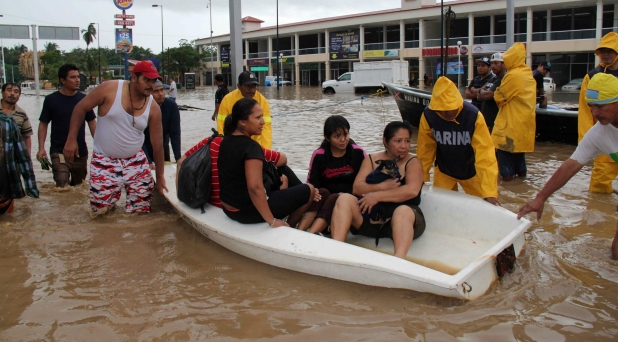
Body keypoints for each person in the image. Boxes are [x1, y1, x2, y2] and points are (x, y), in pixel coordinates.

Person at [518, 73, 618, 260]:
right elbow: (570, 166)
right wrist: (540, 198)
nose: (595, 113)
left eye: (601, 106)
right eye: (591, 107)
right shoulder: (599, 134)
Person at [63, 60, 167, 214]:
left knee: (142, 212)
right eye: (146, 79)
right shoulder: (110, 89)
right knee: (101, 212)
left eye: (154, 80)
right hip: (104, 160)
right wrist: (71, 140)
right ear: (133, 78)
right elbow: (80, 108)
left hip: (136, 161)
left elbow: (158, 145)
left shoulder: (153, 108)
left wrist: (160, 177)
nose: (151, 84)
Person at [330, 121, 426, 259]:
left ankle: (399, 260)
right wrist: (381, 187)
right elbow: (357, 188)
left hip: (404, 221)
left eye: (407, 141)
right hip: (373, 219)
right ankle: (335, 250)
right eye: (398, 141)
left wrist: (376, 196)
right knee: (345, 198)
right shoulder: (372, 159)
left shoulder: (413, 162)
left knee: (402, 211)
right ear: (385, 141)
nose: (403, 146)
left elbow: (411, 191)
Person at [218, 98, 317, 227]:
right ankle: (289, 227)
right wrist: (272, 221)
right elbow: (254, 188)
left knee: (283, 174)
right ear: (242, 122)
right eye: (258, 118)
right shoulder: (251, 147)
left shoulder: (226, 141)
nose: (263, 122)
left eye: (262, 117)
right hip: (247, 212)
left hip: (229, 209)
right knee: (309, 190)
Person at [418, 77, 500, 205]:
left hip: (471, 171)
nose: (446, 112)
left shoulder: (473, 116)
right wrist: (420, 178)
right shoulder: (429, 115)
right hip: (444, 170)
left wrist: (489, 192)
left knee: (483, 205)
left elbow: (485, 155)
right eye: (441, 109)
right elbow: (425, 150)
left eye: (450, 107)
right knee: (442, 207)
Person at [178, 133, 290, 209]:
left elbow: (181, 162)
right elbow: (283, 159)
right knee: (284, 178)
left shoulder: (210, 141)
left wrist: (181, 195)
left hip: (210, 202)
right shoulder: (248, 148)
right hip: (233, 206)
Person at [298, 115, 367, 233]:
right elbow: (312, 182)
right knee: (321, 193)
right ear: (327, 138)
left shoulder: (358, 153)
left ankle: (311, 233)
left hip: (350, 199)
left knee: (335, 197)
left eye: (346, 134)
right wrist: (314, 193)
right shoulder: (319, 155)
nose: (343, 139)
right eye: (337, 136)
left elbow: (365, 181)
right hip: (325, 196)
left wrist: (346, 194)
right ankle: (300, 231)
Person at [37, 64, 97, 188]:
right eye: (73, 77)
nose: (77, 80)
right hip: (58, 151)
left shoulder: (84, 100)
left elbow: (92, 123)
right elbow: (43, 124)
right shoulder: (51, 100)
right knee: (62, 183)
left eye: (78, 77)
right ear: (62, 80)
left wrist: (101, 146)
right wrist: (41, 148)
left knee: (79, 187)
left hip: (80, 153)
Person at [577, 32, 618, 193]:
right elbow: (586, 109)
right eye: (603, 51)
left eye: (610, 51)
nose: (606, 55)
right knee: (600, 184)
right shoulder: (592, 76)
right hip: (605, 136)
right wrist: (585, 140)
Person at [490, 43, 537, 182]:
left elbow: (499, 97)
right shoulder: (527, 73)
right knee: (520, 165)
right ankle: (521, 190)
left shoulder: (513, 75)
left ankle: (508, 194)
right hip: (524, 127)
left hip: (509, 127)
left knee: (506, 170)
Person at [217, 71, 273, 149]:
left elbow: (266, 128)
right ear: (239, 86)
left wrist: (266, 151)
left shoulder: (263, 101)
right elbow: (222, 126)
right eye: (248, 86)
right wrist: (225, 146)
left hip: (255, 145)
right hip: (233, 144)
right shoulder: (227, 100)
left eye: (254, 86)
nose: (252, 90)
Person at [143, 79, 181, 166]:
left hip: (162, 146)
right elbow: (138, 136)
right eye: (156, 91)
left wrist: (178, 158)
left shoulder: (171, 106)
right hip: (143, 146)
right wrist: (148, 161)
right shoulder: (141, 107)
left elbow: (175, 134)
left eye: (161, 90)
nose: (160, 94)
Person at [477, 52, 507, 132]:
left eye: (496, 63)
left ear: (503, 64)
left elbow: (488, 95)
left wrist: (481, 91)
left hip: (495, 119)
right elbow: (478, 97)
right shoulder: (493, 79)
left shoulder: (503, 79)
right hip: (486, 119)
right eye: (492, 63)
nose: (493, 66)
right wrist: (481, 91)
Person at [1, 83, 33, 155]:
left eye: (16, 91)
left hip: (13, 157)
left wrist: (27, 158)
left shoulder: (21, 114)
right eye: (9, 90)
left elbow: (27, 137)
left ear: (19, 95)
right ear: (2, 92)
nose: (12, 94)